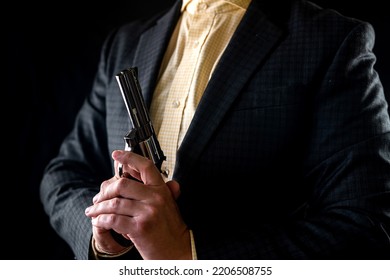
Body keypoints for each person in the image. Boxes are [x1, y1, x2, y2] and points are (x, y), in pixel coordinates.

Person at [40, 0, 390, 260]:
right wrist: (100, 233)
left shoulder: (331, 41)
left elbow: (361, 226)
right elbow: (64, 173)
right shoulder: (125, 43)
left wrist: (190, 256)